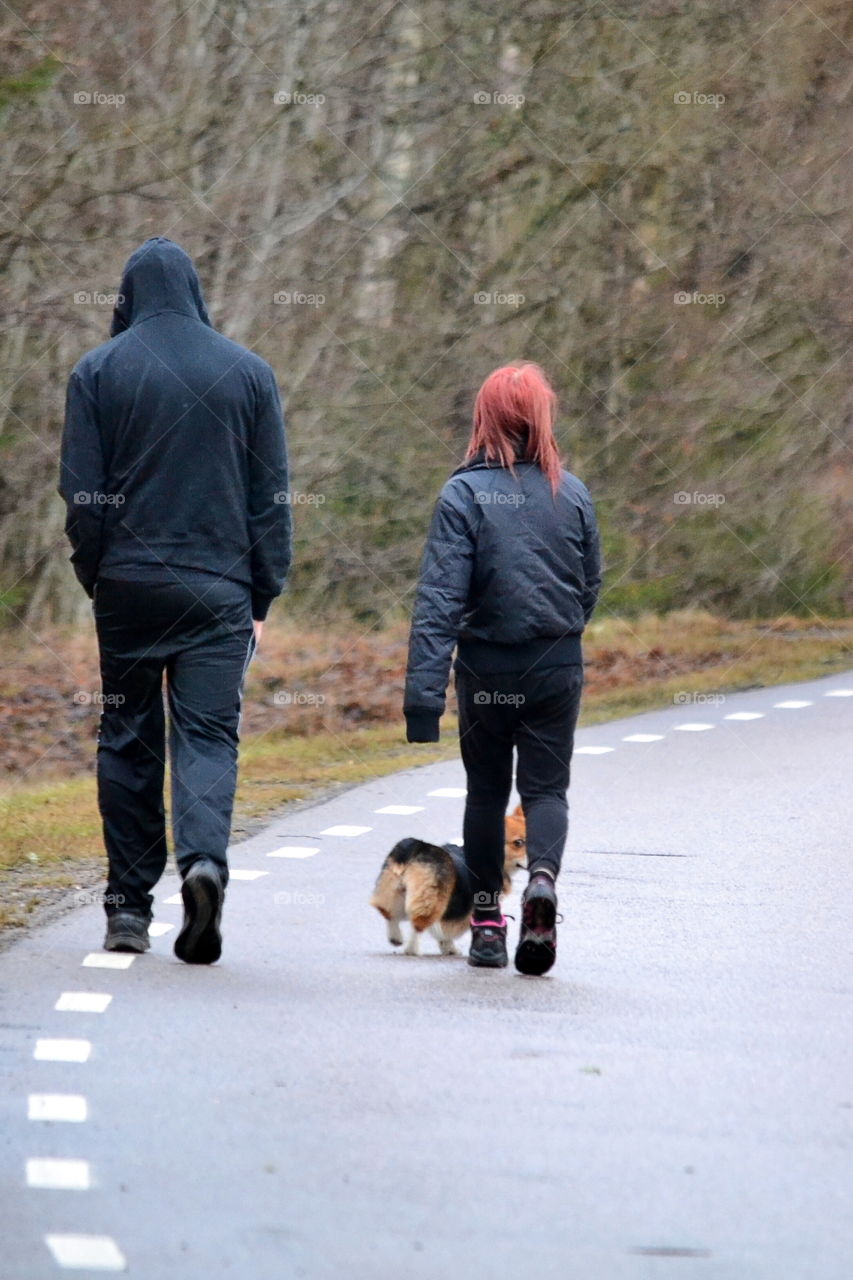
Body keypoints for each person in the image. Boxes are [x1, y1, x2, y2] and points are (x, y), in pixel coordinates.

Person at [59, 237, 291, 964]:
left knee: (127, 737)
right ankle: (203, 865)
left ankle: (128, 908)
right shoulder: (249, 375)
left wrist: (97, 573)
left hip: (128, 585)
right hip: (219, 592)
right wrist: (264, 591)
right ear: (195, 292)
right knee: (207, 736)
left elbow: (82, 496)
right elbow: (270, 500)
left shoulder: (97, 372)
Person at [404, 362, 601, 974]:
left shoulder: (463, 495)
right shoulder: (572, 493)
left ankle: (488, 923)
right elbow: (589, 586)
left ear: (484, 418)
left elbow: (441, 599)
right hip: (555, 666)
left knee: (487, 793)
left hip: (487, 670)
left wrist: (423, 696)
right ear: (542, 418)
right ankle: (541, 879)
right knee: (545, 790)